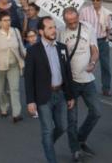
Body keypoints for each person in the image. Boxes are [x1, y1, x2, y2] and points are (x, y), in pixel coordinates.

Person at [25, 16, 76, 163]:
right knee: (47, 130)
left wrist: (70, 95)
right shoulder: (33, 51)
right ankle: (51, 157)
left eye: (54, 27)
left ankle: (47, 144)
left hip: (60, 94)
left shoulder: (62, 48)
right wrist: (30, 101)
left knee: (62, 127)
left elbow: (67, 72)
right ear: (41, 31)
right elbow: (29, 78)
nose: (54, 30)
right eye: (50, 28)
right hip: (43, 96)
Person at [61, 7, 101, 161]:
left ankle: (80, 138)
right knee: (72, 119)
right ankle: (75, 149)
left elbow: (94, 49)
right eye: (69, 22)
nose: (72, 24)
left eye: (75, 21)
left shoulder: (87, 28)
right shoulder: (60, 32)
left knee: (96, 112)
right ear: (64, 21)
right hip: (70, 82)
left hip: (87, 79)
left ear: (78, 17)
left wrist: (92, 62)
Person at [0, 10, 26, 123]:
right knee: (1, 90)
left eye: (9, 20)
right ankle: (4, 108)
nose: (7, 22)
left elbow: (21, 46)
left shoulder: (16, 31)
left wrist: (26, 56)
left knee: (14, 89)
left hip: (14, 65)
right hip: (0, 67)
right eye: (4, 20)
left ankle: (16, 114)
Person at [79, 0, 112, 96]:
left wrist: (107, 39)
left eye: (98, 0)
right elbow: (80, 26)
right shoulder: (84, 11)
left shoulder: (106, 13)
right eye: (93, 0)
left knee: (106, 66)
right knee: (86, 64)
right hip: (89, 42)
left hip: (102, 41)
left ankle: (106, 89)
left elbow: (109, 28)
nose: (95, 2)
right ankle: (82, 87)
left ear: (101, 1)